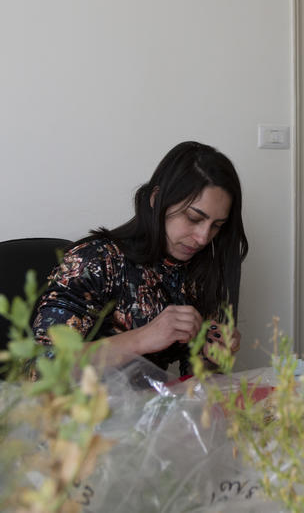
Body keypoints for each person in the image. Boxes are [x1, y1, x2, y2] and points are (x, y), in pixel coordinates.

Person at [31, 141, 249, 375]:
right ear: (157, 200)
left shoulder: (199, 270)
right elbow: (40, 369)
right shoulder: (96, 261)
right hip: (80, 409)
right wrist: (141, 339)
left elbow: (192, 383)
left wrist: (211, 357)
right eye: (194, 218)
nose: (203, 237)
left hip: (151, 408)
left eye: (216, 226)